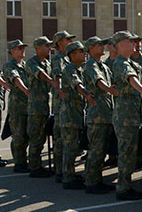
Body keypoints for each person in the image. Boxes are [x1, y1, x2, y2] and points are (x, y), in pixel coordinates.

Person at [109, 31, 142, 200]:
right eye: (129, 41)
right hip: (125, 116)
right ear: (121, 45)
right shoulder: (120, 63)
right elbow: (131, 78)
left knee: (130, 152)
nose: (134, 44)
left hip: (132, 114)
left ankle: (125, 185)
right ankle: (123, 188)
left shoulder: (131, 62)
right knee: (126, 153)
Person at [81, 37, 115, 194]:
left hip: (105, 113)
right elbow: (99, 81)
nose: (103, 47)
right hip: (97, 115)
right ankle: (92, 182)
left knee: (101, 149)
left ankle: (96, 179)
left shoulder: (104, 65)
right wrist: (109, 89)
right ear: (90, 48)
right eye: (99, 45)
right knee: (96, 149)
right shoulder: (91, 65)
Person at [60, 41, 95, 189]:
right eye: (81, 51)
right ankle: (68, 178)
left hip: (77, 114)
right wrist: (88, 96)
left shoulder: (81, 68)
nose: (84, 53)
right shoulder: (69, 69)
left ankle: (70, 175)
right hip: (69, 115)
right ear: (72, 55)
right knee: (70, 147)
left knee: (74, 146)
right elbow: (77, 85)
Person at [24, 37, 56, 177]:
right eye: (46, 46)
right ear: (38, 48)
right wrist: (52, 81)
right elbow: (40, 74)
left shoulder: (47, 63)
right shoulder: (31, 62)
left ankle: (37, 165)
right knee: (36, 138)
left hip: (45, 105)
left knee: (41, 137)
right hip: (36, 106)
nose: (49, 48)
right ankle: (34, 167)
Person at [49, 30, 75, 182]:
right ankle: (61, 172)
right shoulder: (59, 58)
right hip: (60, 106)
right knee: (60, 140)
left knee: (62, 140)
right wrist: (59, 90)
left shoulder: (66, 58)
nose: (70, 42)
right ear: (60, 43)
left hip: (63, 105)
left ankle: (62, 171)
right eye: (67, 40)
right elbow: (58, 76)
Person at [2, 40, 31, 172]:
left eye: (23, 48)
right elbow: (15, 78)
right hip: (17, 106)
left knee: (26, 135)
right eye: (19, 48)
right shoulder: (9, 65)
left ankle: (24, 161)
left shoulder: (25, 65)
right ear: (12, 51)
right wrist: (26, 90)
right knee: (18, 135)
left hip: (28, 106)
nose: (22, 50)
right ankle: (19, 163)